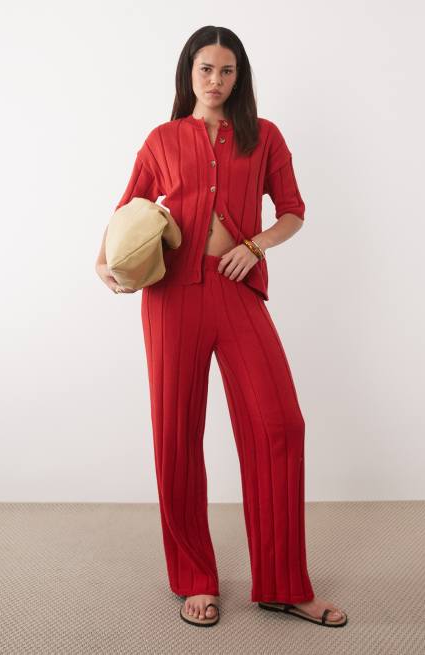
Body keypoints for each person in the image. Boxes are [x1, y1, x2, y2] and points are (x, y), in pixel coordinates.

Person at [95, 26, 348, 629]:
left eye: (226, 70)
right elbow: (126, 209)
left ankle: (284, 584)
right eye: (205, 69)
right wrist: (105, 263)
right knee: (176, 435)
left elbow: (293, 212)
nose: (215, 80)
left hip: (237, 291)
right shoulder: (162, 139)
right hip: (171, 299)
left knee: (279, 425)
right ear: (189, 73)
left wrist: (255, 246)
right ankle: (194, 579)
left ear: (240, 77)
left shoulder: (265, 137)